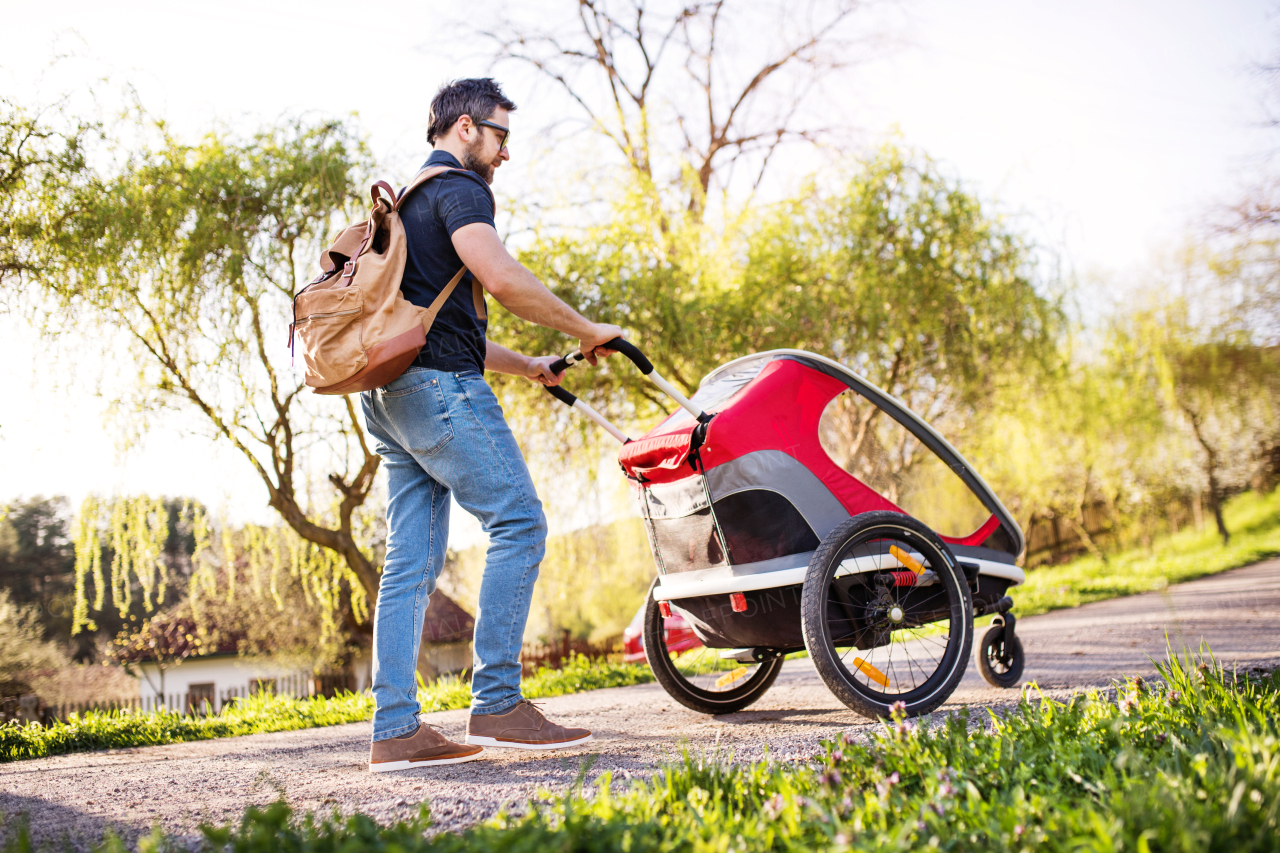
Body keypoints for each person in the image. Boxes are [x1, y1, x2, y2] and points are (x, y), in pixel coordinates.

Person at [363, 78, 622, 772]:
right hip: (440, 391)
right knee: (521, 522)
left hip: (391, 398)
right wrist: (584, 326)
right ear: (467, 127)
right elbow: (501, 278)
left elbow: (437, 323)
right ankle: (499, 702)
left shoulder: (407, 201)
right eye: (502, 134)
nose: (507, 151)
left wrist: (531, 363)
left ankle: (396, 728)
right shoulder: (460, 190)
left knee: (410, 565)